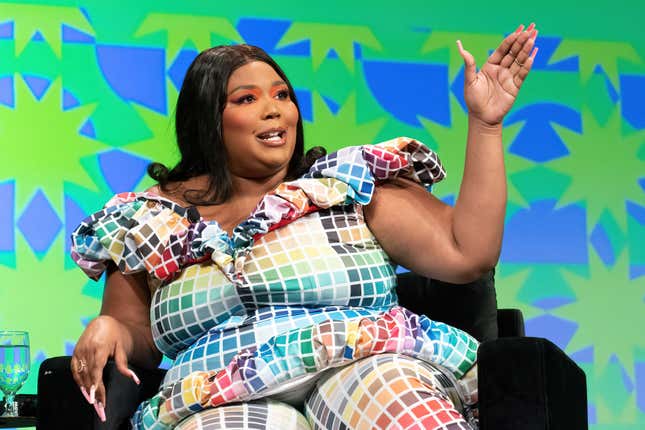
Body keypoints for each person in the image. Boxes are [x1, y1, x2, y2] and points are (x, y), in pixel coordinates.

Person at [70, 23, 538, 429]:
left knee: (392, 403)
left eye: (282, 95)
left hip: (362, 362)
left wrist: (486, 124)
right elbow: (139, 339)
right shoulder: (149, 220)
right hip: (219, 391)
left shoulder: (343, 185)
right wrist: (108, 327)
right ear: (208, 121)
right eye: (247, 99)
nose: (274, 110)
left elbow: (467, 252)